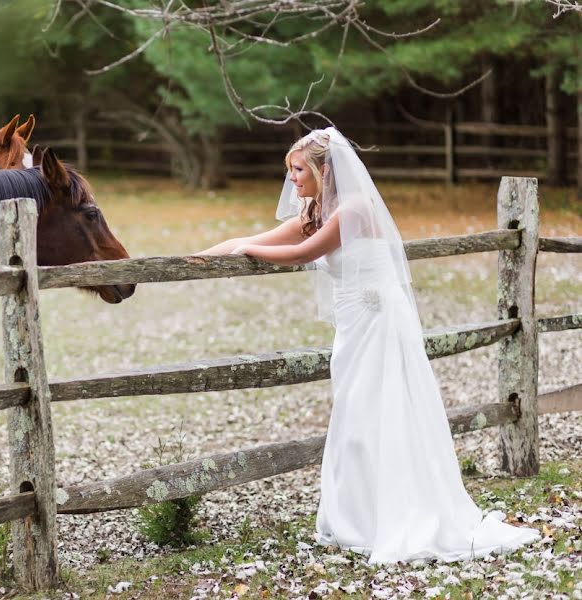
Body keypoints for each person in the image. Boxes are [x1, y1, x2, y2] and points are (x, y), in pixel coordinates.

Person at [198, 127, 540, 563]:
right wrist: (201, 257)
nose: (292, 180)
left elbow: (303, 253)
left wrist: (248, 248)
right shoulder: (316, 210)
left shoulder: (354, 209)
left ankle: (396, 514)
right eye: (290, 171)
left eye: (298, 170)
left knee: (380, 410)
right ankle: (360, 517)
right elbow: (264, 239)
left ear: (325, 169)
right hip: (353, 327)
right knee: (354, 414)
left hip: (378, 323)